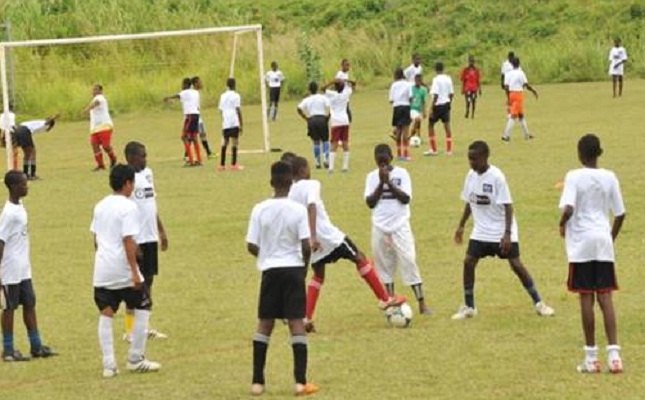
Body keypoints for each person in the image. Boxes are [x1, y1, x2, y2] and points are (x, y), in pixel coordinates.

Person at [289, 156, 405, 333]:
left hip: (309, 240)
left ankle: (306, 318)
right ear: (303, 170)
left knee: (318, 275)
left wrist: (306, 239)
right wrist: (314, 236)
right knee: (359, 257)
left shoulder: (291, 192)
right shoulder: (312, 184)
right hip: (328, 236)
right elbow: (312, 206)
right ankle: (384, 298)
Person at [452, 140, 554, 320]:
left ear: (485, 157)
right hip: (481, 230)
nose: (471, 163)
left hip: (501, 228)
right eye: (469, 159)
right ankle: (469, 307)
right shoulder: (470, 176)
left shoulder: (497, 177)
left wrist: (507, 234)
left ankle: (539, 303)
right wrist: (461, 226)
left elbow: (508, 206)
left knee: (516, 264)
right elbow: (469, 200)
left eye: (474, 159)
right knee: (468, 262)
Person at [246, 161, 318, 396]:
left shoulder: (260, 209)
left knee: (265, 324)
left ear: (271, 182)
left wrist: (267, 255)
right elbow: (305, 245)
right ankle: (300, 382)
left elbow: (251, 245)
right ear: (291, 183)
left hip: (270, 271)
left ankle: (257, 382)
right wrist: (304, 268)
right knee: (296, 323)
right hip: (293, 270)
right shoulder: (297, 210)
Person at [558, 134, 625, 373]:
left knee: (586, 297)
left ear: (580, 154)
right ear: (599, 153)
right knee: (605, 297)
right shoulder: (610, 177)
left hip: (582, 244)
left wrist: (561, 224)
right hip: (602, 241)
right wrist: (610, 238)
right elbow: (620, 213)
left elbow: (569, 208)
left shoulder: (574, 176)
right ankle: (615, 356)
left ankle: (591, 358)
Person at [91, 164, 161, 377]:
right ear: (128, 183)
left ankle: (109, 365)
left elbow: (95, 238)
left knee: (106, 312)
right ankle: (135, 358)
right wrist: (134, 272)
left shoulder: (100, 206)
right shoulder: (129, 207)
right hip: (122, 268)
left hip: (102, 269)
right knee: (143, 306)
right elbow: (128, 240)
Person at [365, 144, 431, 315]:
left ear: (391, 158)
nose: (383, 166)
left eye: (385, 162)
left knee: (409, 260)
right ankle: (391, 301)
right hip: (379, 226)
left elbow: (405, 198)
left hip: (400, 225)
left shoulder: (402, 174)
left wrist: (389, 183)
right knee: (384, 266)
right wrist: (381, 183)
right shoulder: (371, 177)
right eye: (379, 162)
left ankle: (422, 302)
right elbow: (370, 202)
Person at [0, 170, 56, 362]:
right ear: (13, 187)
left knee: (30, 304)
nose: (27, 187)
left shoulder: (19, 205)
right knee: (9, 308)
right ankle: (8, 350)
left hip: (23, 268)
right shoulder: (8, 214)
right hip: (10, 270)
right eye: (23, 184)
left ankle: (36, 345)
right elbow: (0, 242)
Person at [123, 142, 169, 342]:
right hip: (137, 240)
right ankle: (129, 330)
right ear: (131, 158)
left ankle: (143, 327)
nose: (145, 159)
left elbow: (152, 206)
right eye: (142, 156)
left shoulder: (148, 175)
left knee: (148, 282)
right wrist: (132, 241)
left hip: (150, 237)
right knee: (134, 285)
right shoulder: (127, 180)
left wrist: (161, 231)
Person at [164, 76, 203, 167]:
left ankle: (191, 161)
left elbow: (178, 96)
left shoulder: (185, 92)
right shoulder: (195, 92)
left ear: (186, 85)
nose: (181, 86)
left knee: (184, 137)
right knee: (194, 138)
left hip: (189, 116)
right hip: (196, 116)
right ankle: (199, 160)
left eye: (182, 84)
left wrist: (168, 98)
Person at [12, 115, 59, 180]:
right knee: (32, 152)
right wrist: (54, 118)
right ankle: (32, 174)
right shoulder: (44, 124)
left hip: (19, 129)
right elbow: (47, 122)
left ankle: (26, 174)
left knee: (27, 154)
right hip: (24, 130)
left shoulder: (38, 123)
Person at [501, 57, 538, 142]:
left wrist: (508, 98)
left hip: (511, 94)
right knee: (513, 116)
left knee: (521, 115)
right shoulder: (521, 73)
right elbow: (526, 85)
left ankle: (527, 134)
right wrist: (533, 91)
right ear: (519, 64)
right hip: (518, 94)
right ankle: (506, 135)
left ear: (512, 64)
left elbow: (506, 87)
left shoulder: (508, 73)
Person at [323, 78, 354, 173]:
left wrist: (332, 81)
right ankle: (345, 167)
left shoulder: (332, 95)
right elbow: (354, 84)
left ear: (335, 87)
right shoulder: (345, 94)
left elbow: (323, 88)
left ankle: (331, 167)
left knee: (334, 144)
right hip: (345, 120)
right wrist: (346, 80)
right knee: (345, 143)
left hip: (336, 122)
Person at [423, 62, 454, 156]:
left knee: (430, 125)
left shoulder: (436, 80)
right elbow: (451, 94)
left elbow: (435, 95)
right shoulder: (448, 79)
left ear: (435, 69)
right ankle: (449, 150)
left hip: (437, 105)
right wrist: (449, 103)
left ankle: (433, 149)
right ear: (443, 68)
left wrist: (431, 108)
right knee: (447, 126)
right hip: (446, 104)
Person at [297, 82, 330, 169]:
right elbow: (331, 106)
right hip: (322, 119)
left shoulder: (307, 99)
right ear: (317, 88)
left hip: (312, 120)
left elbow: (299, 108)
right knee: (325, 140)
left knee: (316, 141)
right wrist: (328, 117)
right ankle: (326, 159)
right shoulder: (323, 97)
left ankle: (317, 162)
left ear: (309, 90)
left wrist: (305, 118)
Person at [85, 84, 117, 171]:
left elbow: (96, 103)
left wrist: (88, 108)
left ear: (100, 91)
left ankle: (113, 158)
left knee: (106, 146)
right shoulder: (93, 99)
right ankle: (100, 165)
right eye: (93, 90)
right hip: (94, 128)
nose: (94, 91)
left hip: (104, 126)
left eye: (96, 90)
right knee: (94, 145)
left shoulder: (100, 97)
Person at [218, 78, 243, 171]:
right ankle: (233, 164)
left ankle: (222, 165)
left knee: (225, 142)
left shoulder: (222, 96)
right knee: (235, 142)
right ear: (234, 85)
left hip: (226, 122)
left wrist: (224, 120)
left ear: (227, 85)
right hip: (234, 120)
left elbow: (220, 110)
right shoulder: (236, 96)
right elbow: (238, 110)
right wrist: (241, 124)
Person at [388, 68, 413, 161]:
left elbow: (391, 100)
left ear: (396, 75)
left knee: (398, 132)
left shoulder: (394, 85)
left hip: (397, 108)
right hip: (406, 107)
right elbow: (411, 97)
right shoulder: (408, 84)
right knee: (406, 131)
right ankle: (406, 155)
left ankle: (399, 154)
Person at [409, 74, 427, 141]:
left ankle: (418, 137)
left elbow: (423, 101)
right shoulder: (411, 88)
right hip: (411, 109)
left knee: (418, 123)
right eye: (417, 80)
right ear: (415, 80)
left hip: (419, 110)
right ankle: (410, 136)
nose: (419, 82)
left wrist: (424, 111)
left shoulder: (424, 89)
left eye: (420, 81)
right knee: (417, 119)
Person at [0, 105, 17, 169]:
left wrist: (2, 136)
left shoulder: (3, 115)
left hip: (8, 131)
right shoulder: (12, 115)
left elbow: (2, 127)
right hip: (12, 131)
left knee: (11, 149)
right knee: (14, 150)